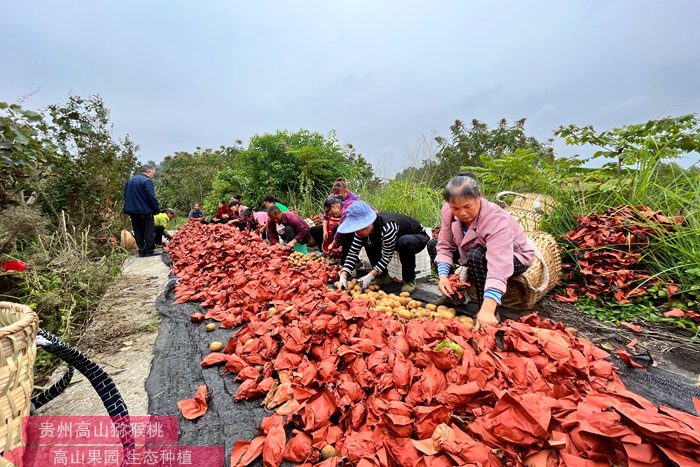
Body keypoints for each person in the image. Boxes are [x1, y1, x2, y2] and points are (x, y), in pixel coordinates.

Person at [434, 173, 535, 330]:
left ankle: (487, 310)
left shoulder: (495, 219)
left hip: (513, 258)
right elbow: (445, 245)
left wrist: (487, 309)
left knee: (477, 256)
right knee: (433, 245)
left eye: (467, 206)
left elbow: (499, 265)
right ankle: (453, 296)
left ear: (479, 196)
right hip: (471, 251)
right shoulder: (447, 211)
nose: (462, 213)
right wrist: (443, 276)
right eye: (455, 208)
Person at [337, 201, 429, 293]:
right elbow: (353, 252)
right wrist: (344, 274)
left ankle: (409, 280)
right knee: (368, 241)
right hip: (394, 239)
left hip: (416, 236)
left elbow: (386, 256)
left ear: (368, 223)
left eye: (359, 227)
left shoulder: (388, 227)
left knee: (404, 242)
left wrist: (370, 276)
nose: (356, 232)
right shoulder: (360, 232)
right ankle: (383, 276)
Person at [123, 165, 160, 257]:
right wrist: (156, 209)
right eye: (153, 174)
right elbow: (151, 197)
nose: (152, 176)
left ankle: (141, 250)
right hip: (145, 210)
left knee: (138, 230)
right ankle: (149, 251)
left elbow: (125, 195)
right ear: (149, 172)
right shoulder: (147, 181)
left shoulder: (130, 181)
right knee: (148, 231)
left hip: (132, 211)